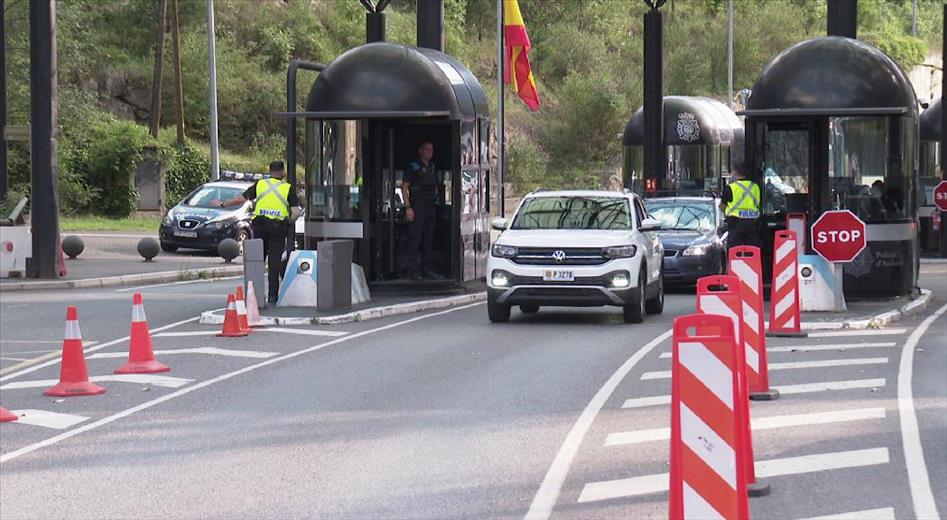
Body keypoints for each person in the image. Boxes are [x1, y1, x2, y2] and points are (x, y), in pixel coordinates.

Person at [214, 161, 300, 303]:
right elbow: (296, 212)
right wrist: (288, 222)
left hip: (260, 227)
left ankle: (254, 295)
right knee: (274, 262)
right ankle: (273, 296)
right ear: (282, 172)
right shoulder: (287, 188)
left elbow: (241, 199)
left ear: (270, 170)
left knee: (257, 261)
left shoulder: (260, 185)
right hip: (278, 229)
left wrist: (223, 204)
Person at [402, 140, 441, 280]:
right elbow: (404, 187)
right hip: (417, 207)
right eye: (426, 149)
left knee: (428, 240)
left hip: (430, 206)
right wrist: (408, 208)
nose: (429, 152)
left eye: (431, 150)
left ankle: (427, 269)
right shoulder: (414, 167)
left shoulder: (432, 167)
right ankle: (413, 271)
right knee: (415, 239)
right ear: (421, 151)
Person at [720, 162, 762, 250]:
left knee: (735, 251)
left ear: (735, 173)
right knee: (752, 250)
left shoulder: (730, 188)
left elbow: (722, 206)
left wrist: (725, 214)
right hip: (753, 224)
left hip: (736, 224)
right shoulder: (755, 187)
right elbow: (758, 204)